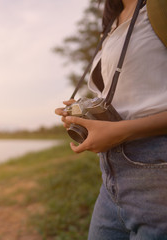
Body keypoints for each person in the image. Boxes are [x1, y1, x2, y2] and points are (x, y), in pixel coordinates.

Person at [55, 0, 167, 239]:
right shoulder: (112, 21)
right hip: (111, 177)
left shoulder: (158, 8)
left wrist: (122, 131)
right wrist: (83, 114)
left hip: (159, 174)